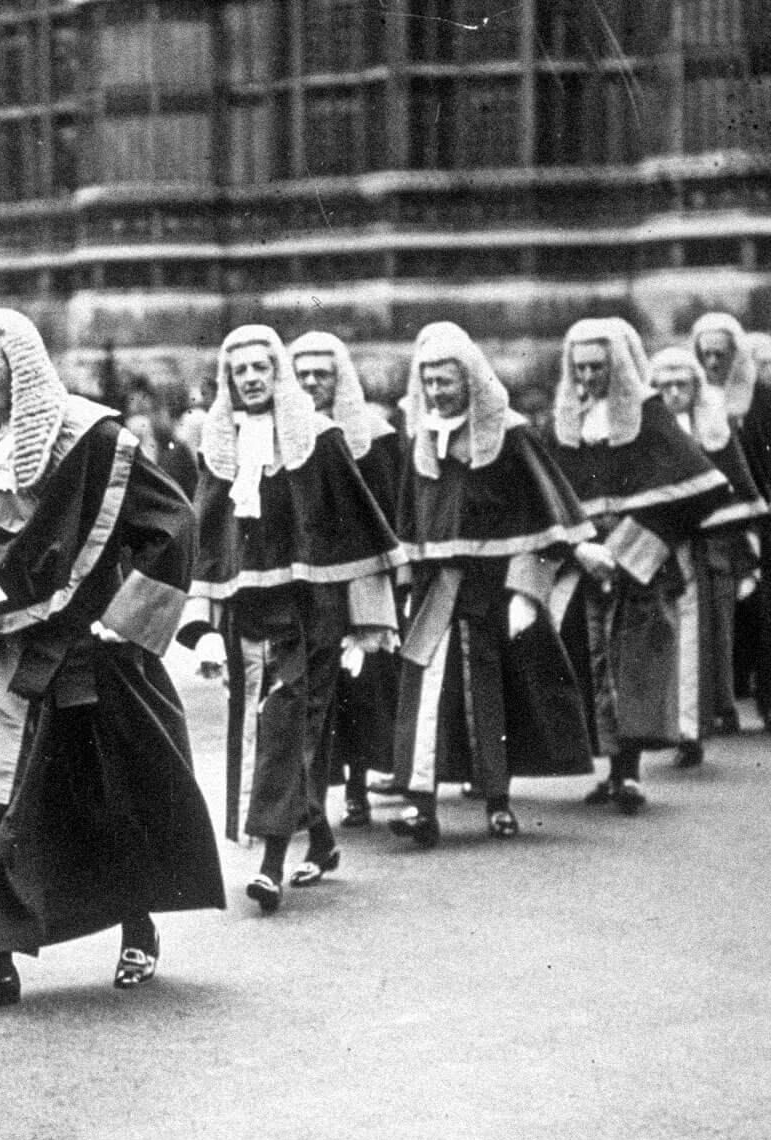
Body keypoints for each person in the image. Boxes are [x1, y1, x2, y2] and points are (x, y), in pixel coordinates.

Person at [0, 307, 222, 1007]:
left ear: (22, 376)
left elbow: (172, 521)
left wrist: (126, 620)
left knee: (109, 798)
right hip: (1, 653)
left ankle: (137, 928)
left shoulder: (94, 440)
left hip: (90, 655)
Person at [180, 325, 401, 912]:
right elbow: (205, 538)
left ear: (276, 373)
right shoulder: (219, 446)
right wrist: (200, 625)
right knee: (283, 729)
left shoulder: (320, 440)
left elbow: (361, 530)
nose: (251, 379)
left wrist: (368, 622)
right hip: (249, 615)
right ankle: (321, 839)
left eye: (260, 368)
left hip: (311, 613)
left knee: (283, 722)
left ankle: (271, 863)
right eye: (239, 371)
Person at [385, 322, 595, 847]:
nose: (436, 392)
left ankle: (498, 800)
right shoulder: (421, 439)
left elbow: (547, 515)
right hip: (436, 587)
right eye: (428, 381)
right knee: (426, 689)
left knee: (491, 691)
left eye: (446, 381)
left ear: (471, 379)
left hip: (491, 588)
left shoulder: (512, 433)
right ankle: (421, 806)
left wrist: (527, 591)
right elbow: (410, 520)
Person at [549, 317, 730, 813]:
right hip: (587, 559)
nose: (587, 379)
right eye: (579, 369)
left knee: (632, 665)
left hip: (637, 558)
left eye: (598, 368)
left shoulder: (649, 417)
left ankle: (628, 772)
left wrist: (633, 547)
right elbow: (552, 494)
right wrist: (582, 547)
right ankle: (609, 768)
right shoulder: (567, 421)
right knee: (592, 663)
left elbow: (701, 489)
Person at [288, 330, 404, 827]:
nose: (313, 382)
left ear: (340, 379)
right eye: (303, 374)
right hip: (305, 572)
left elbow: (387, 510)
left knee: (363, 683)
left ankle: (358, 787)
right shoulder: (286, 436)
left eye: (323, 374)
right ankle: (305, 797)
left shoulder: (373, 437)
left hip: (360, 574)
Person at [648, 346, 766, 756]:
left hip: (711, 546)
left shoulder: (715, 427)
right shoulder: (645, 431)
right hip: (659, 545)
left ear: (695, 387)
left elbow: (739, 486)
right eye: (664, 386)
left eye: (681, 385)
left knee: (708, 634)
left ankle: (701, 720)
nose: (673, 394)